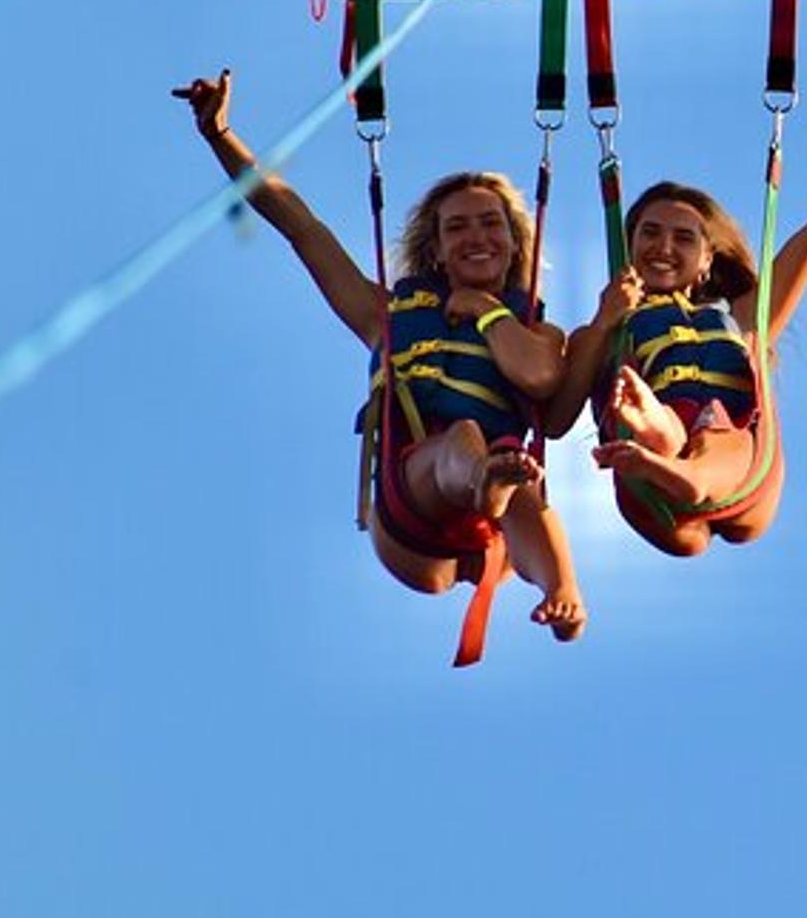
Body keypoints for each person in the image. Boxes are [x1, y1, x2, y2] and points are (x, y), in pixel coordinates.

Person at [172, 68, 585, 653]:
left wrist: (486, 313)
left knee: (515, 472)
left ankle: (563, 587)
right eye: (457, 227)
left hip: (502, 531)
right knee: (472, 443)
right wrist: (221, 134)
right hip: (409, 513)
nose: (476, 236)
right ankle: (485, 485)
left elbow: (540, 376)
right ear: (436, 249)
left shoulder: (537, 329)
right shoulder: (383, 314)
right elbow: (299, 224)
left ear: (515, 240)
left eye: (491, 223)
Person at [543, 78, 807, 556]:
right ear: (630, 246)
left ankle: (679, 462)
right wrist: (603, 321)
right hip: (654, 503)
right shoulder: (606, 331)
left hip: (740, 481)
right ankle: (660, 437)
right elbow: (555, 421)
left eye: (683, 238)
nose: (663, 246)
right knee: (682, 459)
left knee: (719, 428)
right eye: (650, 233)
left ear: (706, 262)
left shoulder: (744, 317)